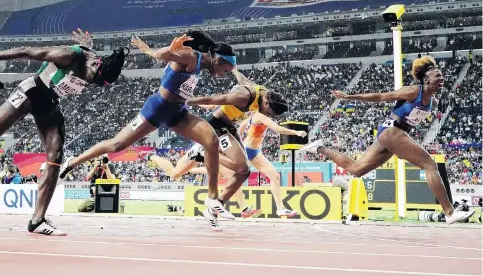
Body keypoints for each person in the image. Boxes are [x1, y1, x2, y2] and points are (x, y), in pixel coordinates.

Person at [0, 29, 128, 235]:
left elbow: (90, 61)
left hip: (48, 104)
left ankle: (38, 220)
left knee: (56, 155)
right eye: (92, 78)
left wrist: (88, 45)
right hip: (31, 92)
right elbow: (26, 51)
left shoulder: (96, 63)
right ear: (95, 65)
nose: (90, 82)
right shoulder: (69, 55)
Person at [58, 30, 238, 222]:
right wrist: (164, 50)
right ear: (218, 59)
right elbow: (163, 56)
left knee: (211, 141)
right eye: (226, 70)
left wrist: (154, 51)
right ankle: (72, 162)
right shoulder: (192, 57)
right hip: (157, 109)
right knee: (116, 145)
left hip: (178, 113)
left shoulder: (200, 64)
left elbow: (166, 63)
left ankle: (212, 201)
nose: (223, 76)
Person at [301, 56, 474, 224]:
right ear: (426, 80)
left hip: (392, 136)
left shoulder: (431, 100)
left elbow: (431, 107)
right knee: (430, 165)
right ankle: (449, 212)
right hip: (392, 132)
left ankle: (319, 148)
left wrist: (442, 105)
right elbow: (381, 97)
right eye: (437, 75)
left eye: (442, 75)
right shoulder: (414, 91)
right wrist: (348, 97)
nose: (441, 77)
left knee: (356, 169)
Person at [170, 72, 289, 229]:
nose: (268, 116)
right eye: (269, 114)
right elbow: (211, 100)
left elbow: (244, 80)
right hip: (216, 126)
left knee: (244, 171)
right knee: (238, 166)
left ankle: (213, 210)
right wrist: (182, 101)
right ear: (266, 104)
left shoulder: (264, 93)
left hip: (229, 127)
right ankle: (201, 152)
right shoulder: (241, 97)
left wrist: (235, 70)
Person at [237, 111, 307, 217]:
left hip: (250, 150)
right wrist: (295, 132)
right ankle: (280, 209)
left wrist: (239, 146)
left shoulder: (251, 117)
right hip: (251, 150)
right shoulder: (261, 116)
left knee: (234, 179)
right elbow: (277, 128)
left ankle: (220, 204)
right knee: (274, 177)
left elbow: (239, 132)